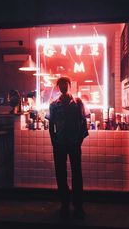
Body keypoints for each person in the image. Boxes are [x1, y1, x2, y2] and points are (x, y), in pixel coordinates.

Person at [49, 76, 88, 219]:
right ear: (58, 87)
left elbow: (84, 122)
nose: (63, 87)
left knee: (77, 174)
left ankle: (78, 205)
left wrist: (79, 140)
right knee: (61, 174)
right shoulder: (53, 104)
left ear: (69, 85)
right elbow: (50, 124)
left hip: (74, 143)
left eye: (65, 84)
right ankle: (64, 203)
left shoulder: (78, 103)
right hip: (59, 143)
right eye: (61, 85)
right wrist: (53, 140)